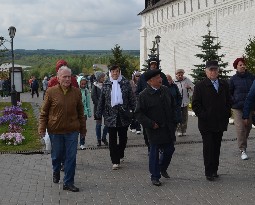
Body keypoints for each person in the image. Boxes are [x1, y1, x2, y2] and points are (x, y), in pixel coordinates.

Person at [38, 66, 86, 192]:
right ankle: (56, 170)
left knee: (71, 157)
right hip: (56, 130)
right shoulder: (51, 92)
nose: (67, 79)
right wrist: (42, 128)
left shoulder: (76, 92)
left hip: (72, 130)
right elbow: (44, 112)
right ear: (58, 78)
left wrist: (83, 130)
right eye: (64, 76)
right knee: (57, 155)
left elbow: (81, 113)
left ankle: (68, 182)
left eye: (69, 76)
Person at [135, 69, 176, 186]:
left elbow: (173, 106)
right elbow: (138, 113)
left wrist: (175, 120)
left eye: (160, 77)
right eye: (158, 77)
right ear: (150, 81)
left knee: (170, 149)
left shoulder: (166, 90)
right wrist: (150, 123)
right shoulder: (144, 95)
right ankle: (155, 176)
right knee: (154, 153)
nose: (161, 79)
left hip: (167, 127)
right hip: (154, 128)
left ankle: (162, 167)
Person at [192, 60, 231, 181]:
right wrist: (204, 115)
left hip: (220, 122)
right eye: (211, 70)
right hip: (207, 123)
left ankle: (215, 170)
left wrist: (226, 113)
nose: (213, 72)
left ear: (218, 71)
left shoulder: (224, 84)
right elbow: (195, 104)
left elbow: (229, 100)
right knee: (209, 147)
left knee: (217, 146)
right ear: (206, 71)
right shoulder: (200, 86)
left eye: (215, 70)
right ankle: (208, 171)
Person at [96, 65, 135, 170]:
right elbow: (101, 100)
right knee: (112, 139)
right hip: (110, 116)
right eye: (113, 71)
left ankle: (121, 152)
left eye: (117, 71)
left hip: (123, 115)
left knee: (123, 139)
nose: (115, 73)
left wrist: (134, 111)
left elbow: (131, 98)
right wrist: (98, 114)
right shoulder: (107, 84)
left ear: (119, 72)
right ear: (110, 73)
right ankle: (115, 161)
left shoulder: (125, 83)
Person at [136, 60, 169, 154]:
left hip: (161, 109)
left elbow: (167, 89)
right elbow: (138, 90)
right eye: (152, 65)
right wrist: (142, 98)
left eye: (155, 65)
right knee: (148, 133)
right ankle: (150, 148)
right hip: (147, 107)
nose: (153, 66)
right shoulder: (143, 76)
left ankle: (160, 149)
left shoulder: (162, 76)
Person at [229, 57, 255, 160]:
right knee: (240, 128)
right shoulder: (233, 79)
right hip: (238, 107)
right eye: (240, 65)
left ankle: (243, 142)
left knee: (248, 127)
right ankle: (242, 149)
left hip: (249, 107)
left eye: (244, 64)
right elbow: (229, 93)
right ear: (236, 67)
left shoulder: (251, 77)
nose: (243, 66)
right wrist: (234, 100)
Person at [174, 69, 194, 137]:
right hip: (177, 102)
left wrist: (189, 87)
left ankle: (184, 130)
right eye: (179, 75)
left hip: (185, 101)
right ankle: (179, 130)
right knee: (178, 116)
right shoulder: (174, 81)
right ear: (176, 75)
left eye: (181, 75)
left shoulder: (187, 80)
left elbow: (193, 87)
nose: (180, 76)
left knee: (185, 117)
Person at [91, 71, 109, 146]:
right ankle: (98, 139)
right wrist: (99, 104)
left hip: (106, 107)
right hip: (98, 108)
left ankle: (104, 137)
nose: (103, 78)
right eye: (102, 77)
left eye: (103, 77)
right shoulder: (95, 86)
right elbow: (93, 96)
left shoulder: (106, 85)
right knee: (98, 124)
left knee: (108, 123)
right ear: (98, 78)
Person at [166, 74, 182, 141]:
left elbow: (179, 96)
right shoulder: (162, 87)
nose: (169, 81)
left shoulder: (174, 86)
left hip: (175, 109)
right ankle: (169, 138)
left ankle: (172, 137)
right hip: (166, 110)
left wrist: (178, 105)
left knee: (175, 124)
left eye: (170, 79)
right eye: (167, 80)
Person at [79, 77, 92, 150]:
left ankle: (82, 143)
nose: (83, 85)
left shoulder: (86, 91)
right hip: (76, 113)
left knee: (83, 128)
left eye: (84, 84)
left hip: (84, 113)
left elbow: (88, 103)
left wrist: (89, 112)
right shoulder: (76, 90)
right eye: (82, 84)